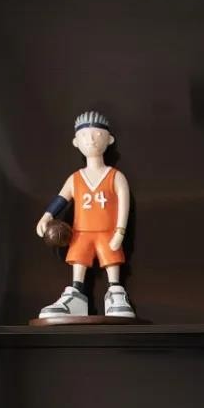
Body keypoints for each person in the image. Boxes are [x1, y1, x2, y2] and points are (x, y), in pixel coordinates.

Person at [35, 110, 135, 320]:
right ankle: (76, 295)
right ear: (75, 142)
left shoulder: (115, 176)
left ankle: (115, 293)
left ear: (109, 139)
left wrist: (120, 231)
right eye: (84, 135)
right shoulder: (75, 178)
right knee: (78, 258)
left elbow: (124, 204)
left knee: (111, 258)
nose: (90, 139)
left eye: (97, 134)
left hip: (108, 231)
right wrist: (46, 216)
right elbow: (61, 199)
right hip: (81, 232)